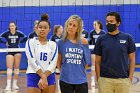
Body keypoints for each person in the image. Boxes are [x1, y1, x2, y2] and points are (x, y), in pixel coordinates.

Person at [94, 12, 136, 93]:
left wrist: (130, 78)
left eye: (111, 21)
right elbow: (97, 61)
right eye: (107, 21)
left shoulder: (128, 38)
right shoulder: (101, 39)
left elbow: (132, 59)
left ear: (118, 23)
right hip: (105, 80)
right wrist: (99, 79)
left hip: (123, 80)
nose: (108, 24)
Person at [57, 15, 91, 93]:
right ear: (67, 25)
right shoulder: (61, 42)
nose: (71, 27)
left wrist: (78, 74)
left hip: (81, 80)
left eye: (74, 26)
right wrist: (66, 73)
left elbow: (86, 63)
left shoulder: (84, 42)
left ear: (78, 29)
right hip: (65, 80)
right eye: (70, 24)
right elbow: (58, 62)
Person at [25, 13, 58, 93]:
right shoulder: (30, 42)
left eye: (45, 27)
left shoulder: (53, 44)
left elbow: (53, 64)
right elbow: (32, 61)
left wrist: (44, 76)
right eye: (40, 27)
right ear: (36, 29)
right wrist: (43, 76)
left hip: (49, 75)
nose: (42, 29)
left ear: (49, 30)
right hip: (33, 74)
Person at [0, 21, 27, 91]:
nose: (11, 27)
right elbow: (0, 38)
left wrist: (20, 42)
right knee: (9, 68)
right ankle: (8, 85)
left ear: (15, 26)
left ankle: (14, 84)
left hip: (17, 50)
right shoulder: (6, 33)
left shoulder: (19, 33)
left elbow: (26, 37)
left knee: (17, 68)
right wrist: (4, 42)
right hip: (9, 50)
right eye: (10, 26)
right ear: (9, 27)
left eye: (13, 25)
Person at [89, 20, 105, 87]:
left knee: (101, 65)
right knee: (93, 66)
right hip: (94, 50)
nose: (94, 26)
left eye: (95, 24)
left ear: (98, 25)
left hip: (101, 51)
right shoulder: (92, 32)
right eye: (93, 24)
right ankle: (93, 80)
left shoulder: (103, 32)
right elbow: (90, 43)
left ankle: (100, 80)